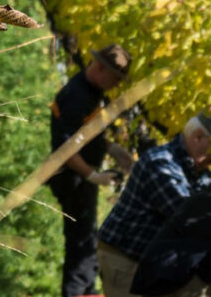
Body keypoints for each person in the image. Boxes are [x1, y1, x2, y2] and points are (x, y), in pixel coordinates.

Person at [97, 113, 211, 297]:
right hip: (125, 258)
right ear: (197, 137)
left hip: (150, 263)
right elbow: (188, 219)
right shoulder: (161, 162)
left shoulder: (202, 175)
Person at [49, 44, 137, 297]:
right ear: (99, 68)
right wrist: (92, 175)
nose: (117, 85)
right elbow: (65, 148)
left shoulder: (91, 90)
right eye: (115, 78)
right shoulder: (77, 95)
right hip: (72, 179)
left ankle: (86, 290)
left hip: (80, 179)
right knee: (82, 245)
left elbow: (84, 134)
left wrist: (111, 149)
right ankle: (78, 292)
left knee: (87, 239)